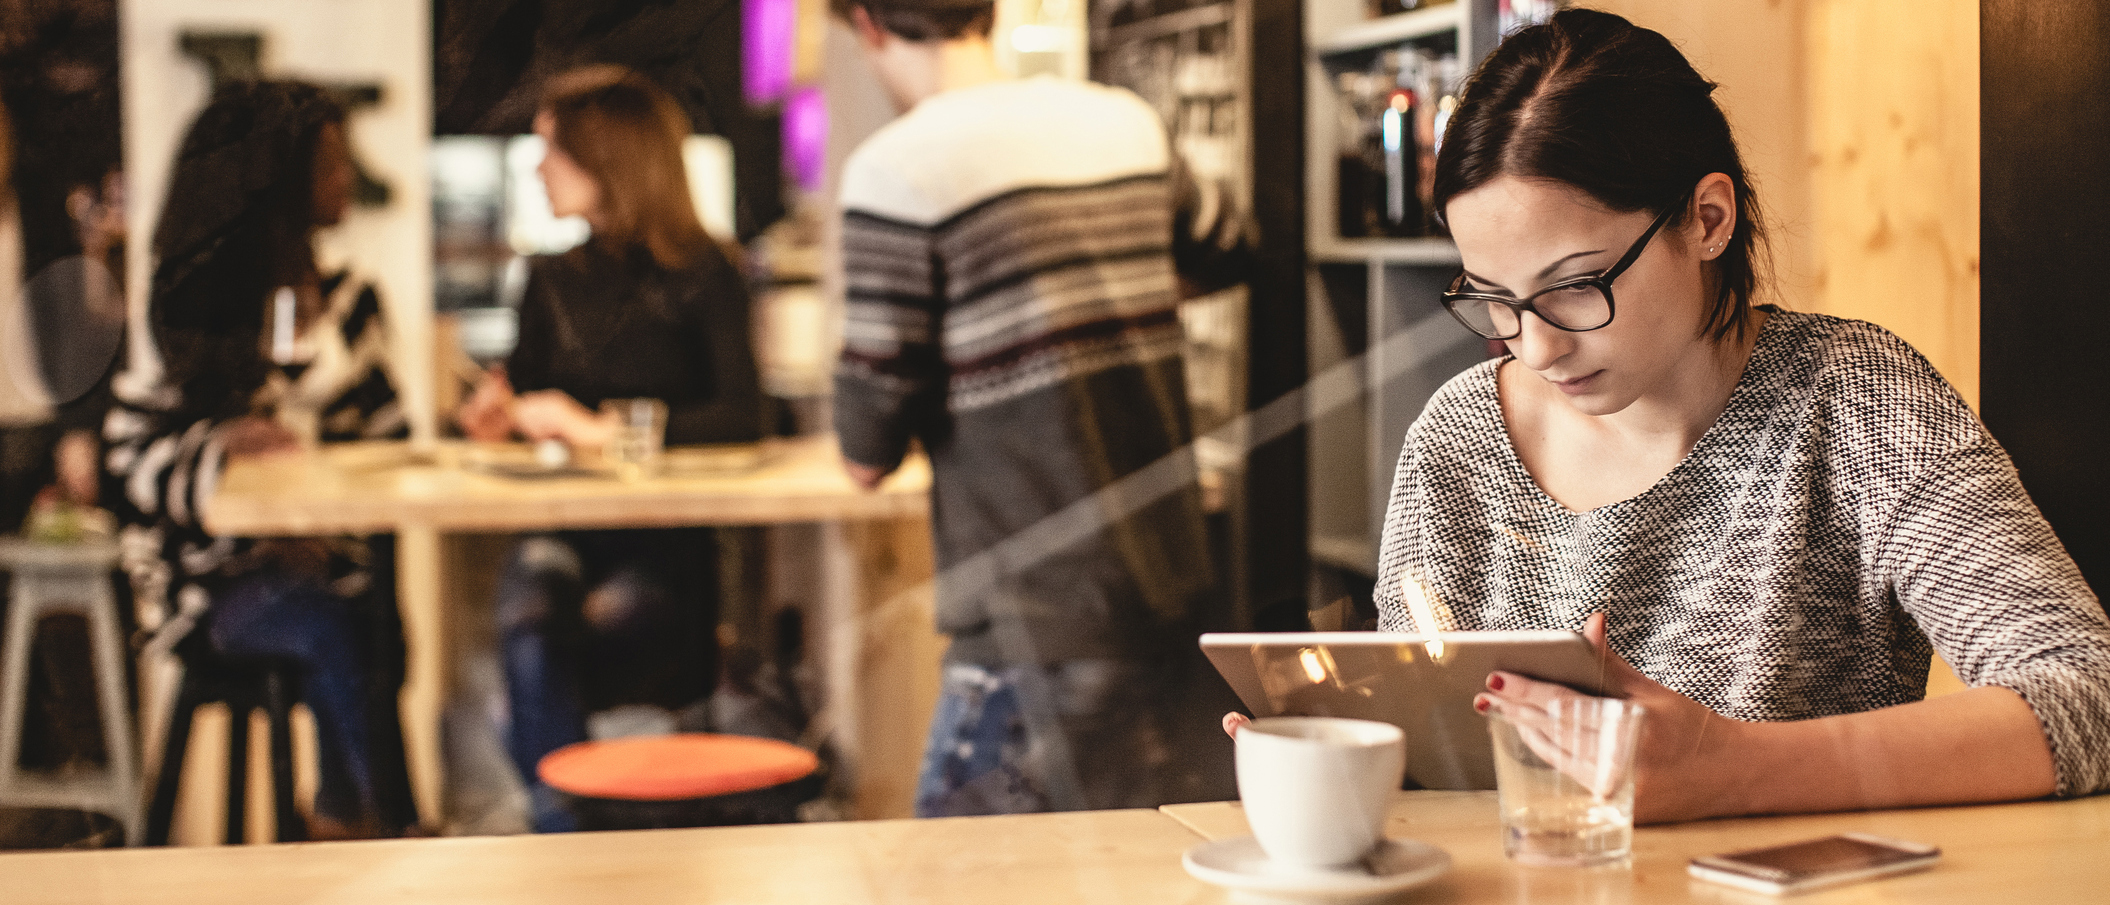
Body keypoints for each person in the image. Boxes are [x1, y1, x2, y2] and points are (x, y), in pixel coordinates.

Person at [1221, 8, 2110, 823]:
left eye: (1574, 286)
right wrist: (1347, 750)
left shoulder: (1856, 400)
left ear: (1708, 218)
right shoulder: (1459, 438)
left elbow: (2088, 694)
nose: (1533, 347)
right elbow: (1441, 770)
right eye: (1494, 298)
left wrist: (1735, 766)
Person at [831, 0, 1233, 816]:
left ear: (871, 24)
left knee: (945, 877)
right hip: (1170, 595)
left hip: (1032, 615)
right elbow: (1228, 248)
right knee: (1131, 871)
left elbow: (865, 451)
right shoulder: (1125, 124)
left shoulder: (897, 170)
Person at [454, 64, 766, 833]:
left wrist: (599, 431)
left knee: (580, 631)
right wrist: (499, 414)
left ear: (608, 156)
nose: (536, 167)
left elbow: (742, 417)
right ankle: (567, 838)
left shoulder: (705, 271)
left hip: (665, 543)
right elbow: (521, 396)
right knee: (531, 613)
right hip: (565, 529)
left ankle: (585, 825)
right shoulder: (551, 275)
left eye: (551, 149)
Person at [105, 80, 414, 839]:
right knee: (333, 622)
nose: (346, 179)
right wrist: (218, 447)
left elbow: (393, 439)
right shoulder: (184, 308)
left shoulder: (350, 300)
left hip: (330, 558)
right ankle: (367, 824)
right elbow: (129, 457)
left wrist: (319, 494)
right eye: (331, 162)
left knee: (369, 619)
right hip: (210, 585)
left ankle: (358, 819)